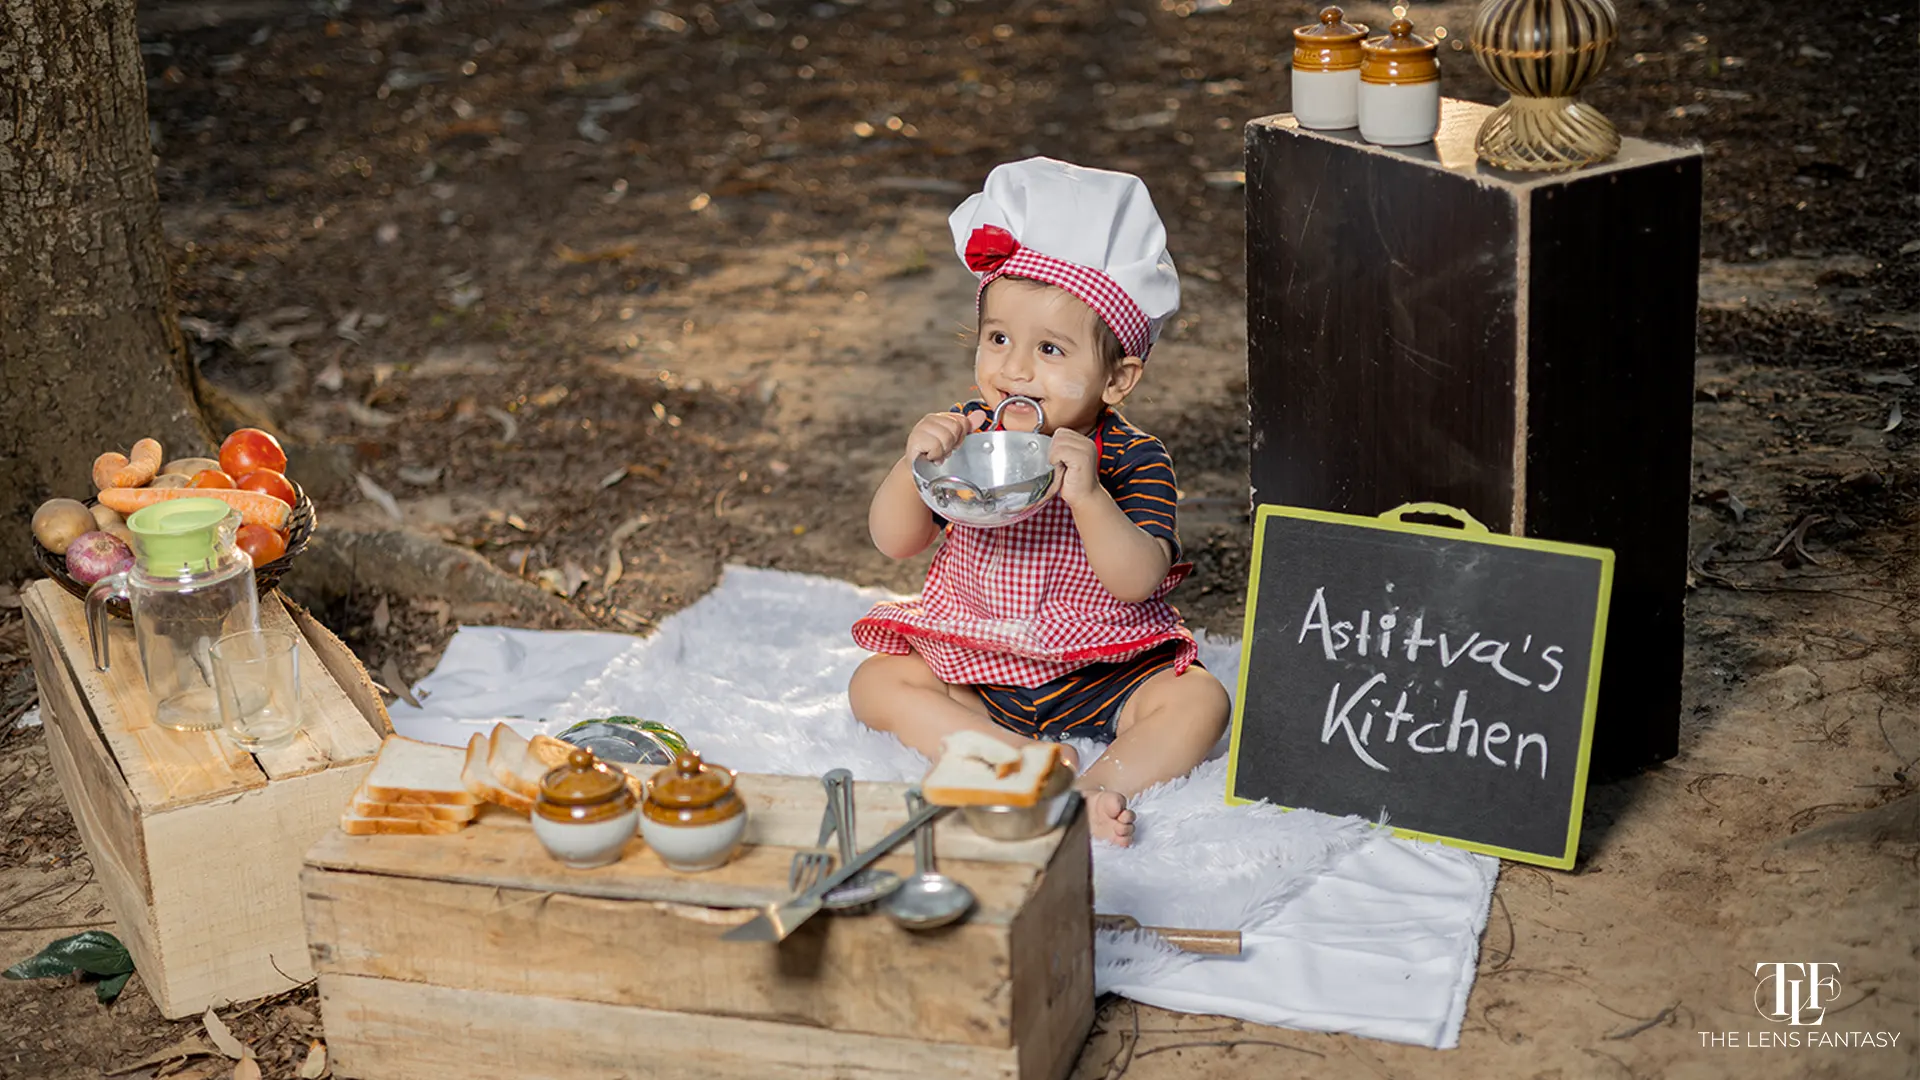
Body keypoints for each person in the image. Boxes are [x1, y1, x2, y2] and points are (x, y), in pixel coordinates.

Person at [848, 157, 1230, 846]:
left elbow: (1137, 578)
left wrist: (1086, 496)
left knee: (1200, 701)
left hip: (1102, 667)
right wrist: (913, 466)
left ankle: (1096, 786)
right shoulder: (969, 435)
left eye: (1050, 349)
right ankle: (1015, 760)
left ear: (1117, 378)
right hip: (978, 657)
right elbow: (895, 541)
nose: (1014, 369)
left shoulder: (1130, 457)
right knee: (877, 682)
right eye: (998, 339)